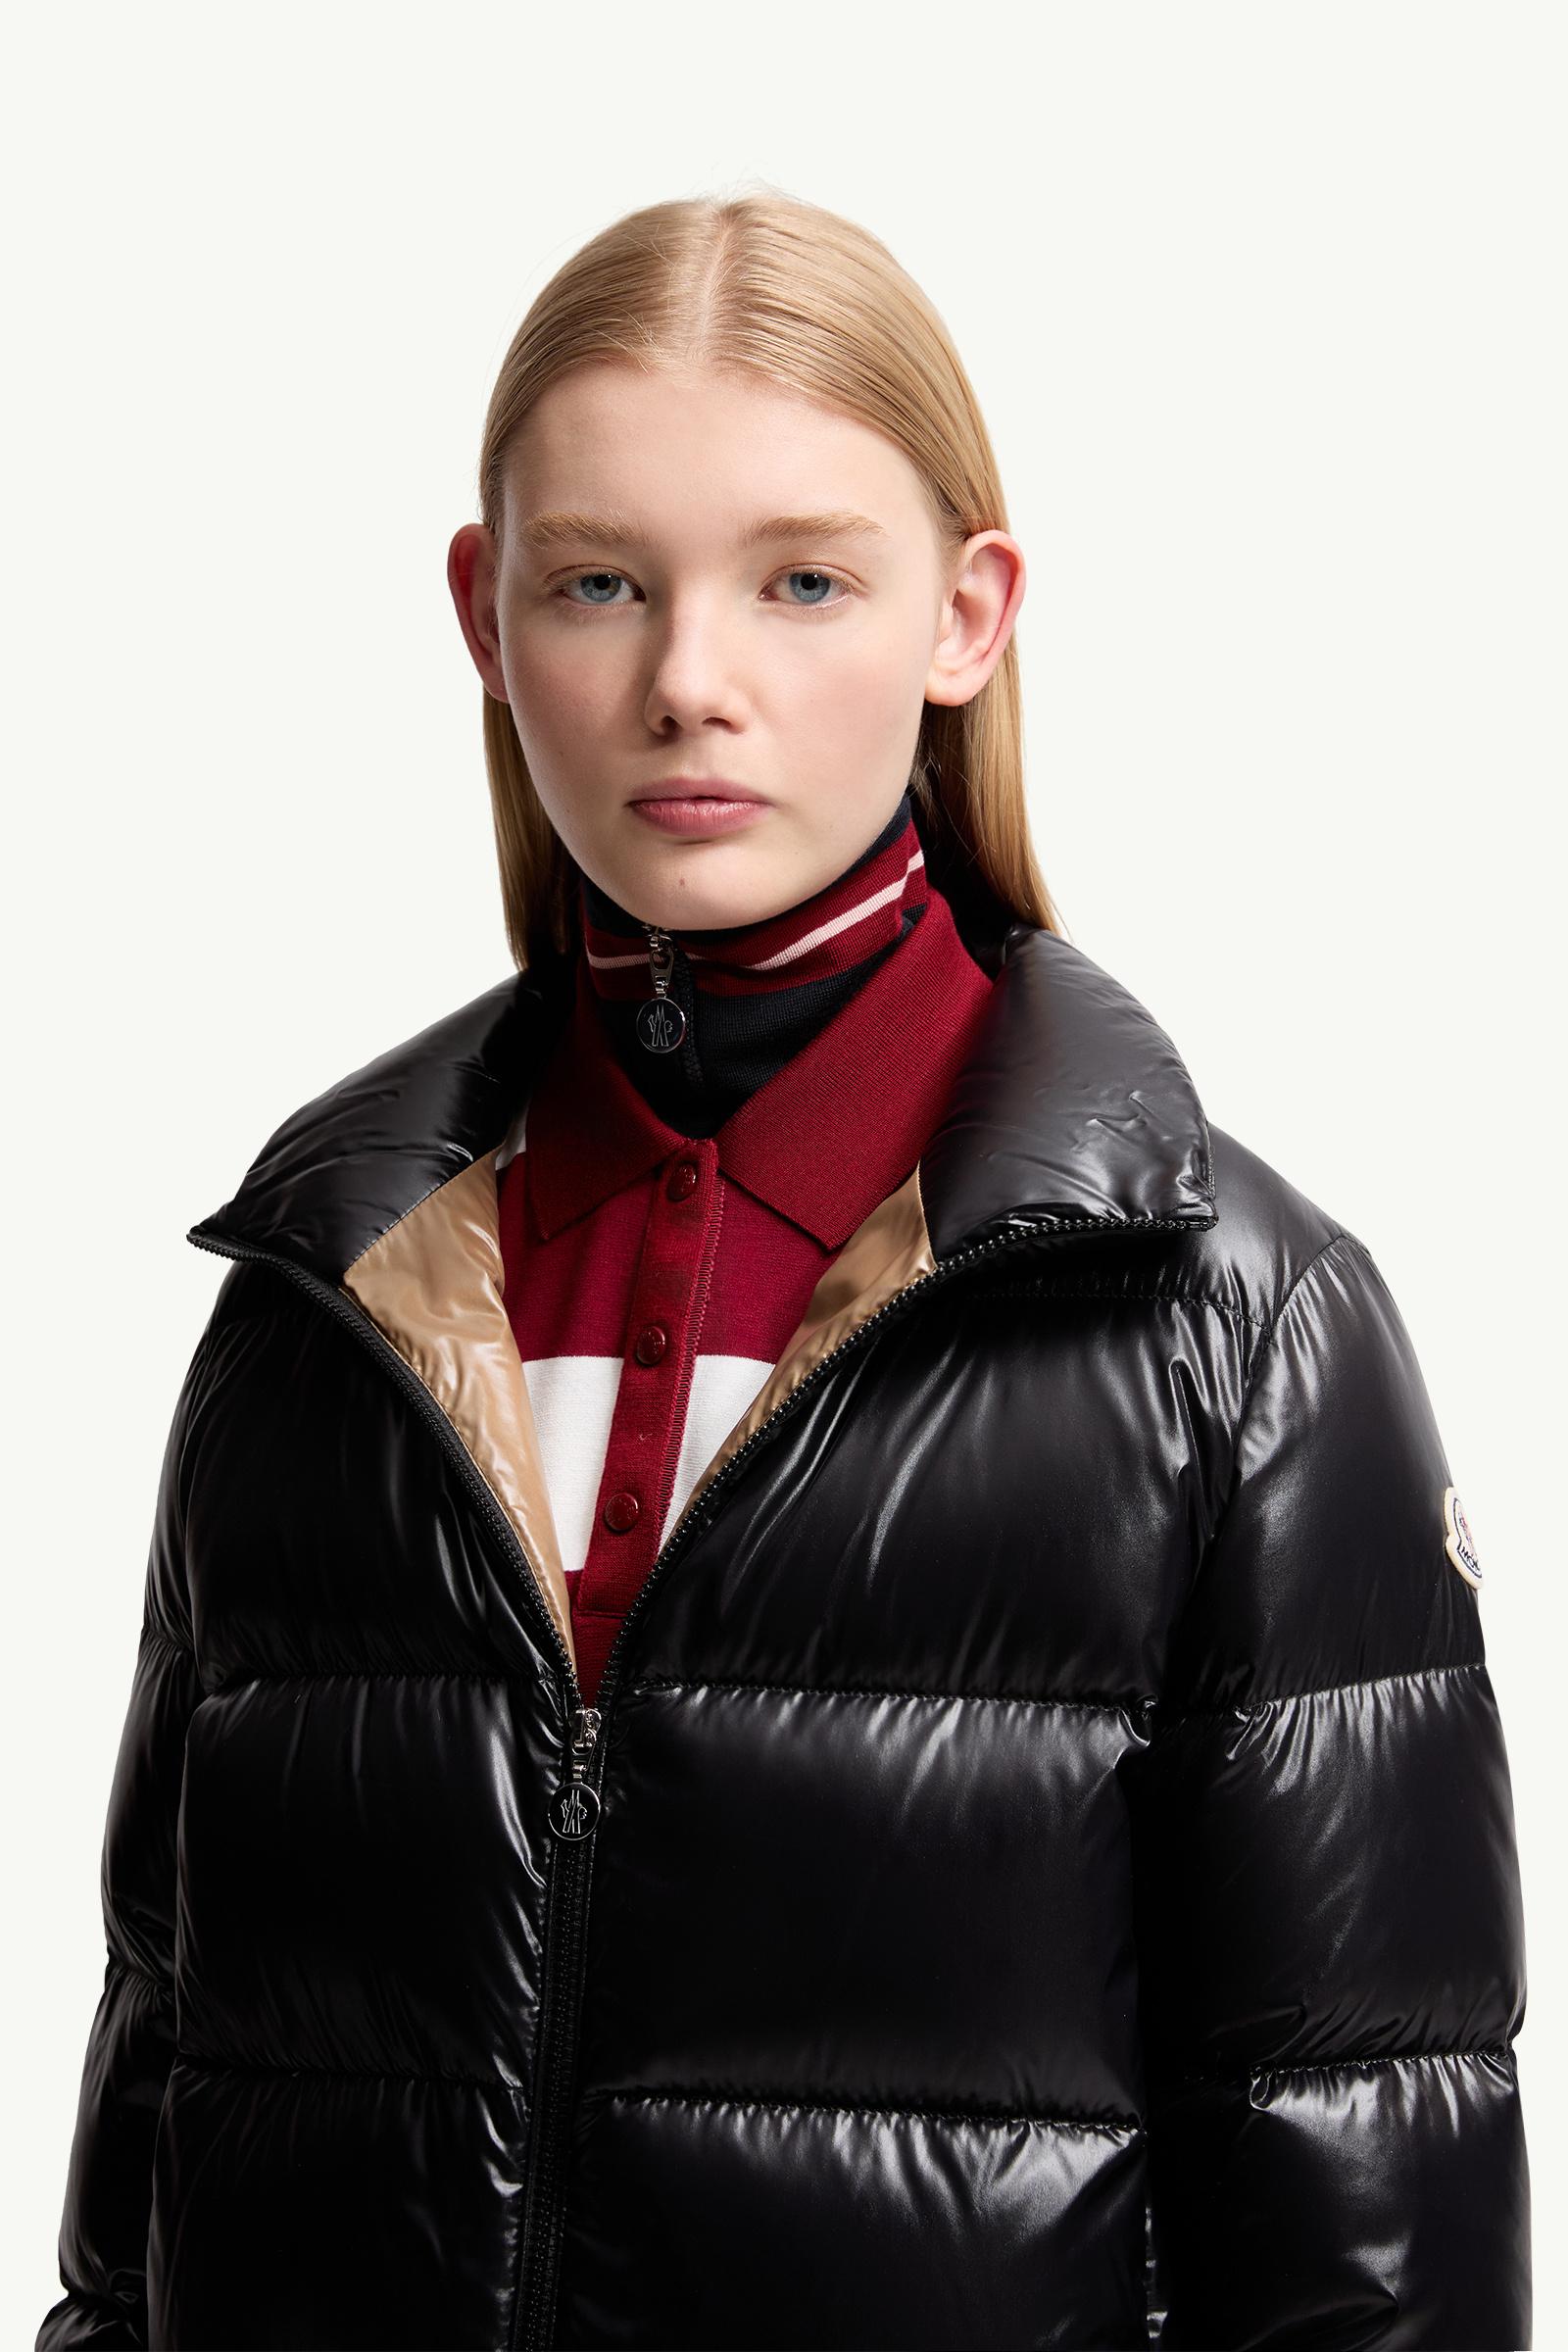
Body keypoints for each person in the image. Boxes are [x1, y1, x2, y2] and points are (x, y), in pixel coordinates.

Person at [38, 190, 1530, 2351]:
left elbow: (1365, 2189)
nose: (687, 684)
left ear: (966, 615)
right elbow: (157, 2120)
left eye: (802, 580)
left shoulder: (1229, 1332)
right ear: (482, 614)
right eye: (598, 583)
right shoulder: (323, 1297)